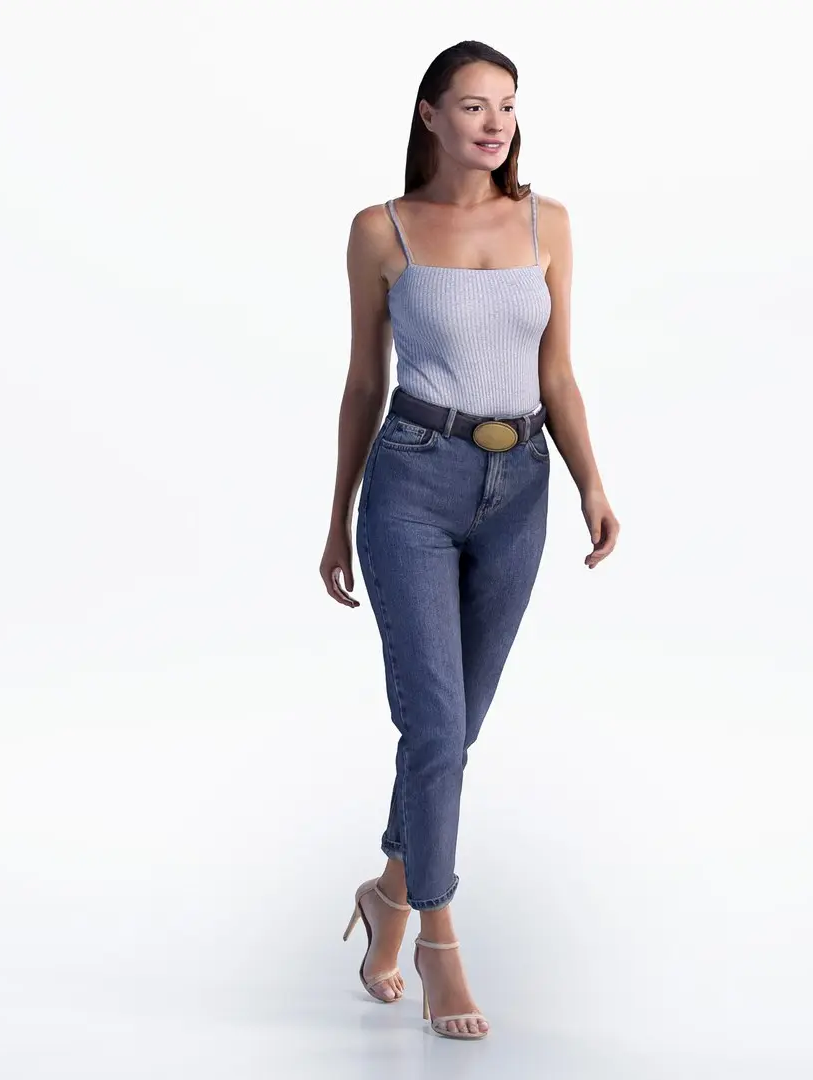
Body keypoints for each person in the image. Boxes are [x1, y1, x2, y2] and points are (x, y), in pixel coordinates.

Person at [319, 40, 619, 1040]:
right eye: (474, 105)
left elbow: (558, 373)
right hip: (412, 480)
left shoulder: (547, 223)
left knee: (455, 729)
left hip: (520, 486)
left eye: (508, 106)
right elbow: (364, 382)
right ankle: (437, 940)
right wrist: (336, 518)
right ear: (430, 115)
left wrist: (591, 483)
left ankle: (387, 893)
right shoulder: (382, 230)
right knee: (436, 726)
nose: (495, 123)